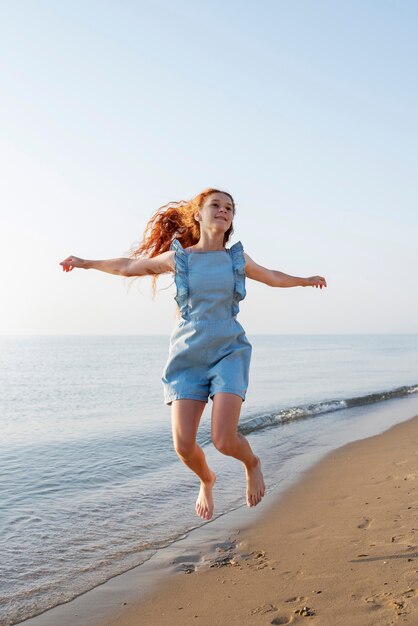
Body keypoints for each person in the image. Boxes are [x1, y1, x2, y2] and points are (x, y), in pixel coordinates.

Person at [60, 188, 327, 521]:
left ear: (232, 220)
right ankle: (207, 479)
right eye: (216, 205)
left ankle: (252, 462)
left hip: (229, 352)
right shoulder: (179, 258)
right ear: (198, 215)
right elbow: (130, 266)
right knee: (184, 447)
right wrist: (85, 263)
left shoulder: (236, 259)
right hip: (187, 358)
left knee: (224, 439)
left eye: (229, 207)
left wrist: (305, 281)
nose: (224, 210)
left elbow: (272, 276)